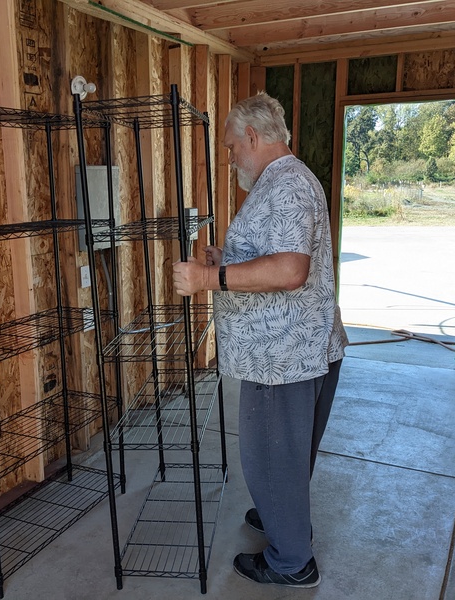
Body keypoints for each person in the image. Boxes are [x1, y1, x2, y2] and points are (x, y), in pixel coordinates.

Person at [172, 92, 347, 589]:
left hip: (283, 359)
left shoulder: (286, 184)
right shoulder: (284, 181)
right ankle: (281, 519)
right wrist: (228, 258)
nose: (230, 160)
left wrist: (209, 280)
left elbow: (291, 270)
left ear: (252, 138)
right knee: (285, 457)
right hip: (292, 352)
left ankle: (292, 561)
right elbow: (280, 254)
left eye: (230, 148)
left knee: (270, 457)